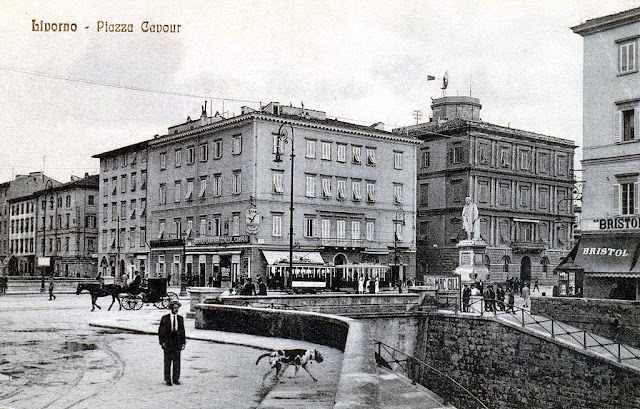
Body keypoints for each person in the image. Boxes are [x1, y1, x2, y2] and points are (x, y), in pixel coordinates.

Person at [158, 300, 186, 386]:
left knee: (177, 361)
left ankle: (176, 379)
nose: (176, 310)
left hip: (177, 342)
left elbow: (182, 331)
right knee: (167, 361)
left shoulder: (180, 318)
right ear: (171, 308)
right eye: (174, 308)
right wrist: (162, 342)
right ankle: (168, 379)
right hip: (168, 342)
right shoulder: (165, 318)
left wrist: (183, 342)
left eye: (177, 308)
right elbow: (161, 331)